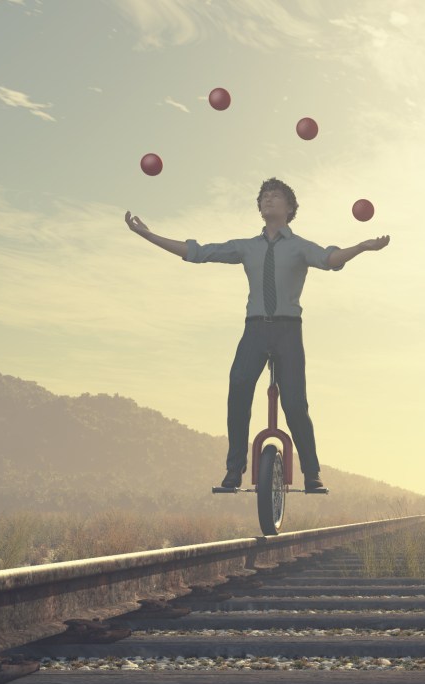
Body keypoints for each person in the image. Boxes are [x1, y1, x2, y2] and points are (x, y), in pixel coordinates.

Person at [125, 178, 389, 492]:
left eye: (275, 196)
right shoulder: (246, 247)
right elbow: (198, 252)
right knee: (238, 387)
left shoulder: (300, 246)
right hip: (255, 329)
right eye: (264, 196)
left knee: (294, 405)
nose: (267, 200)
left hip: (288, 330)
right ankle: (234, 471)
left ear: (289, 208)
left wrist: (361, 247)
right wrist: (148, 235)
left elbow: (330, 259)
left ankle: (312, 473)